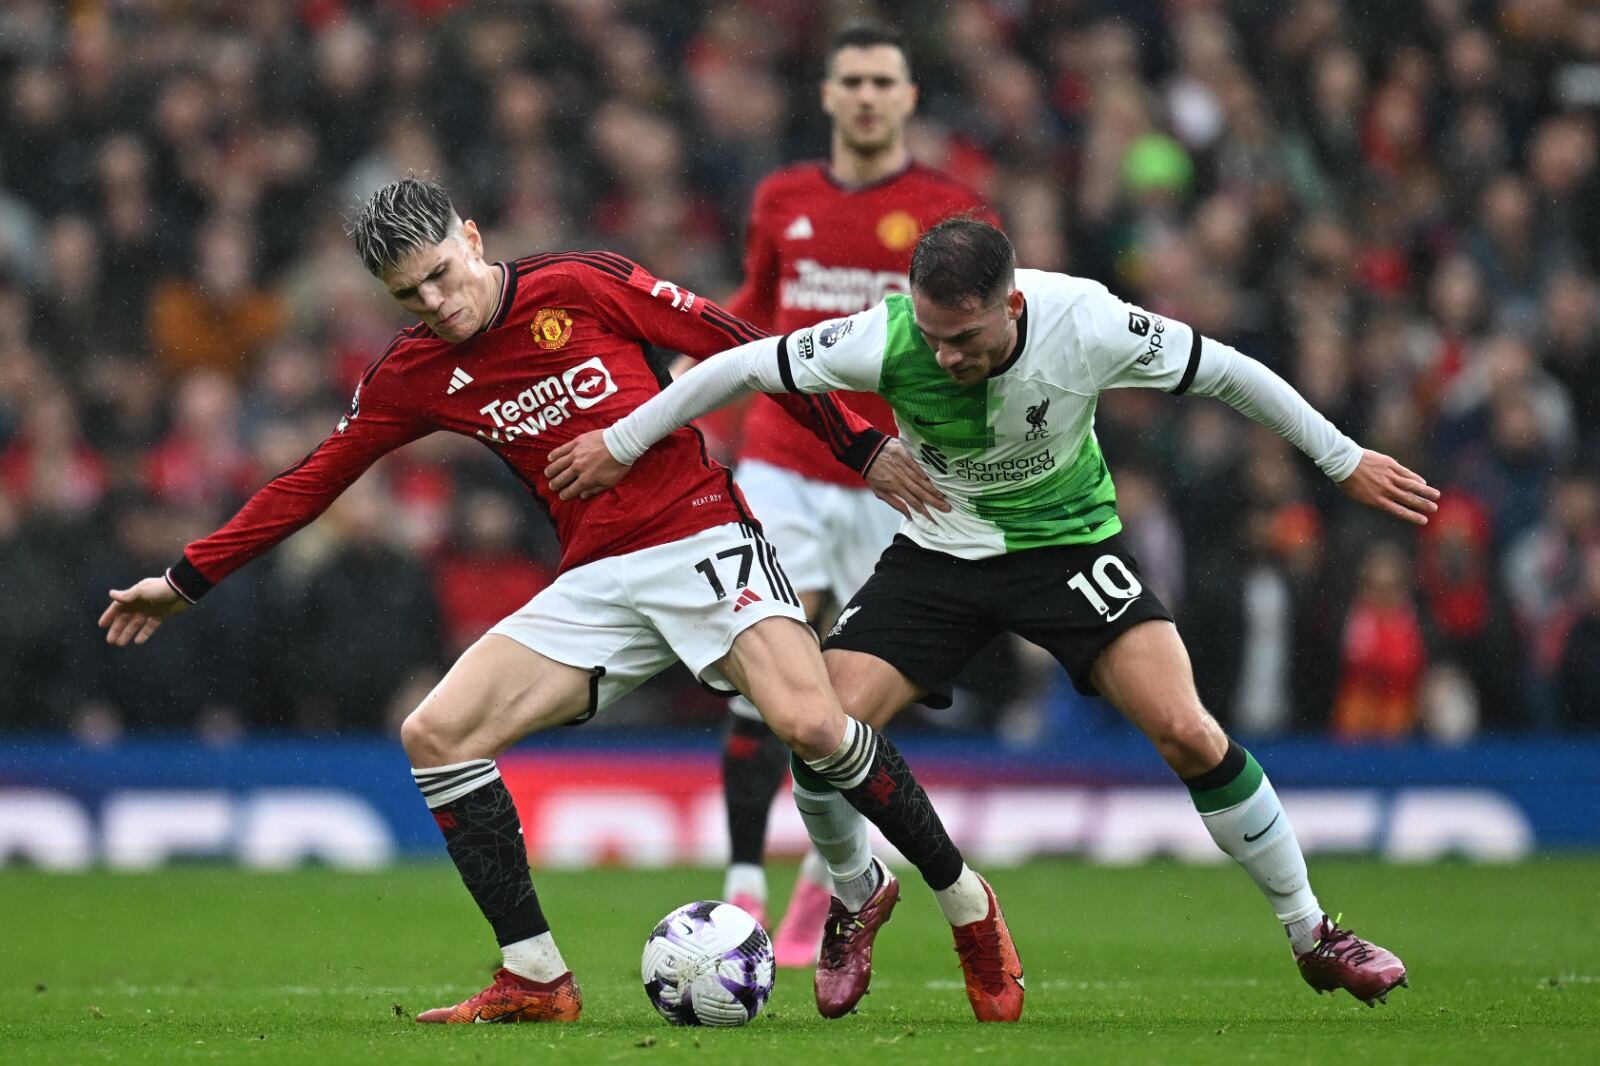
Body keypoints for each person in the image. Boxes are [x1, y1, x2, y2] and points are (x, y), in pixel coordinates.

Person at [98, 180, 1021, 1025]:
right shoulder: (414, 370)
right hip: (596, 578)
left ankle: (964, 906)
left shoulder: (580, 283)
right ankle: (535, 974)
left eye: (438, 276)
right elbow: (311, 480)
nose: (432, 303)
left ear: (471, 237)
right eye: (406, 294)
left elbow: (744, 350)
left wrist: (855, 447)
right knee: (437, 735)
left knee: (814, 727)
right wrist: (186, 579)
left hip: (698, 531)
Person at [549, 218, 1436, 1008]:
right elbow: (743, 364)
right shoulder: (885, 337)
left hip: (1069, 549)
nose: (943, 357)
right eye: (930, 336)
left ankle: (1314, 934)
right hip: (940, 555)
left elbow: (1228, 372)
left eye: (963, 337)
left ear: (1011, 304)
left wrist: (1342, 457)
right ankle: (857, 893)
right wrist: (624, 443)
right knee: (817, 727)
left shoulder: (1084, 322)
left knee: (1188, 733)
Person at [715, 20, 1001, 965]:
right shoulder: (781, 199)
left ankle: (826, 875)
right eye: (854, 80)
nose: (870, 95)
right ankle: (743, 883)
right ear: (830, 96)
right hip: (784, 463)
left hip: (896, 473)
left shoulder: (951, 207)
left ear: (910, 96)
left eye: (886, 79)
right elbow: (751, 320)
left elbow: (986, 338)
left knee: (850, 686)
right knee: (767, 666)